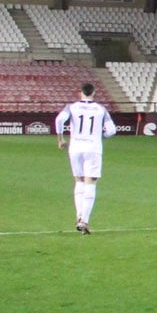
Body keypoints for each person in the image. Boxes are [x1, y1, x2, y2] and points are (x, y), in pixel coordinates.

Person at [53, 82, 116, 233]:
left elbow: (59, 120)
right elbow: (112, 130)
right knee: (91, 182)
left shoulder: (72, 107)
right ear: (94, 93)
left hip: (75, 148)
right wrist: (101, 136)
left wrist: (60, 139)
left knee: (79, 180)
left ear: (80, 92)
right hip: (93, 148)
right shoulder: (101, 109)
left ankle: (79, 215)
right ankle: (84, 221)